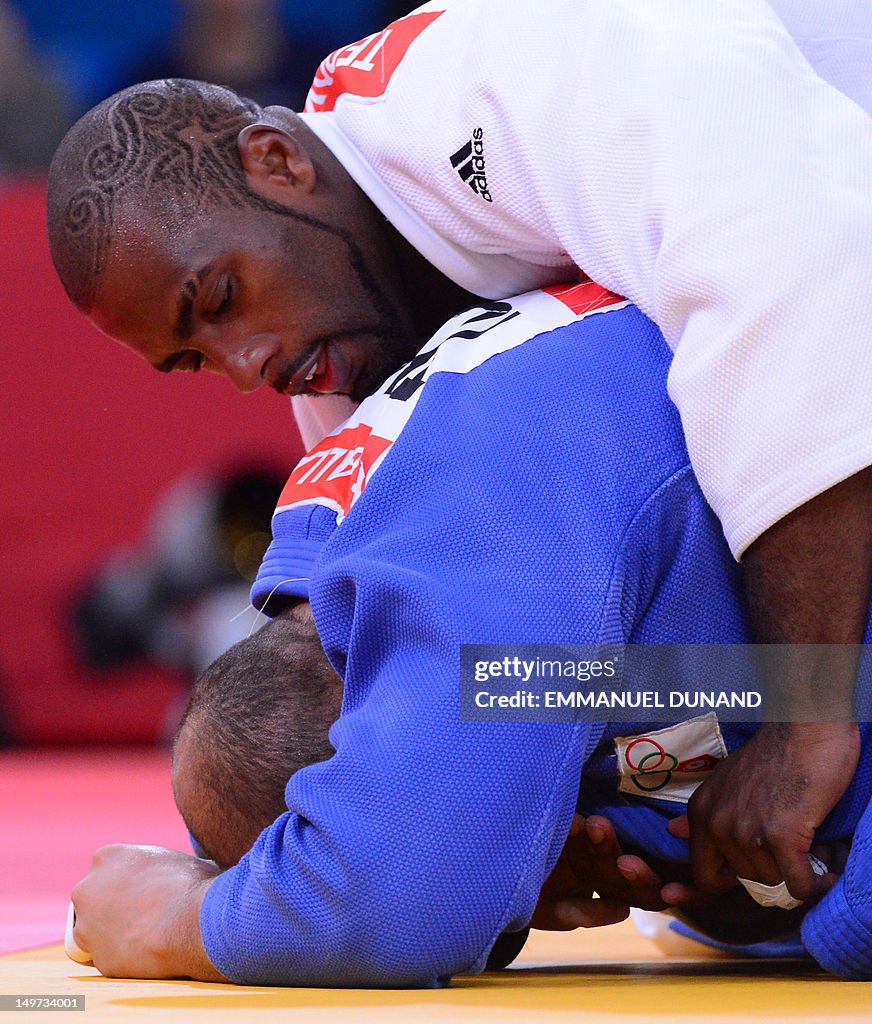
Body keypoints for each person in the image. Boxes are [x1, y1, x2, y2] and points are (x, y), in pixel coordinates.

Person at [46, 0, 872, 902]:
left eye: (222, 298)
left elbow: (806, 287)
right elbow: (416, 676)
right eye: (193, 360)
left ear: (278, 163)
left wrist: (803, 719)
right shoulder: (340, 334)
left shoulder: (523, 79)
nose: (246, 368)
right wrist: (514, 827)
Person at [69, 284, 872, 985]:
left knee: (848, 924)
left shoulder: (473, 573)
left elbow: (389, 897)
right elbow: (257, 766)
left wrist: (180, 922)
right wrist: (525, 847)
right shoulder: (333, 535)